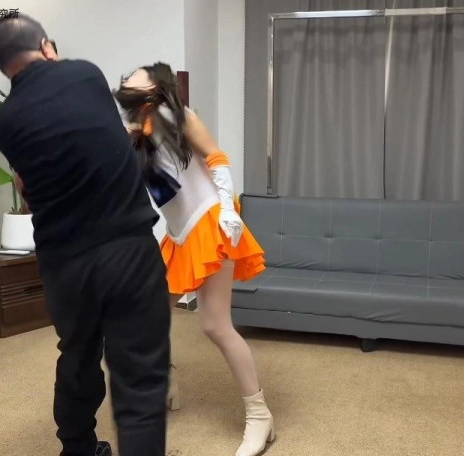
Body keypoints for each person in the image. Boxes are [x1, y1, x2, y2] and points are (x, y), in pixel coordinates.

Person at [0, 14, 170, 456]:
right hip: (127, 250)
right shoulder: (85, 74)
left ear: (3, 65)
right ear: (46, 47)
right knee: (140, 377)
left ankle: (78, 449)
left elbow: (27, 188)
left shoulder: (5, 122)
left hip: (63, 264)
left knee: (77, 355)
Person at [114, 62, 275, 456]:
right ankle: (166, 378)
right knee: (151, 315)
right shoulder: (134, 130)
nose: (128, 76)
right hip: (178, 234)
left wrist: (229, 210)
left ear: (155, 85)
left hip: (209, 223)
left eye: (136, 73)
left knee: (215, 326)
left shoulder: (177, 115)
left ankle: (260, 416)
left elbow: (216, 157)